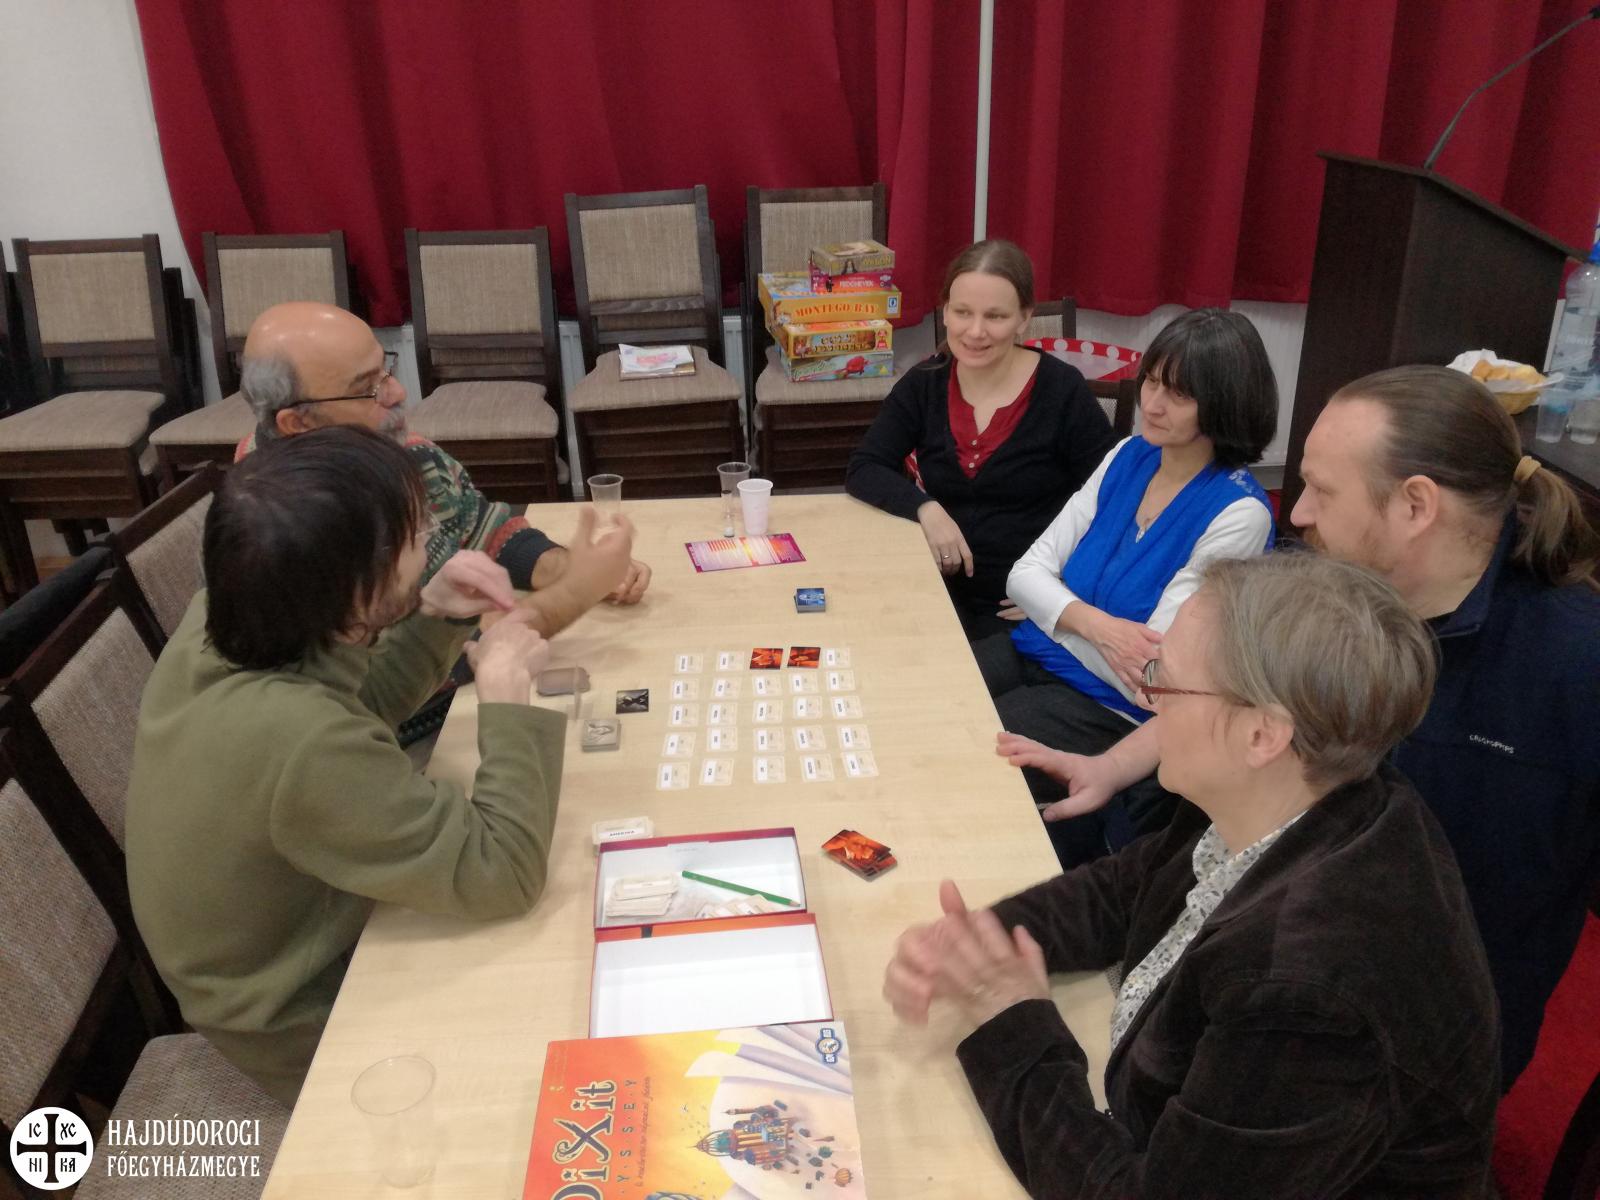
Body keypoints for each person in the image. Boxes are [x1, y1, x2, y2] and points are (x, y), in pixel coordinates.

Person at [1001, 364, 1600, 1088]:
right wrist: (1114, 765)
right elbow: (1218, 695)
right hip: (1253, 965)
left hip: (1388, 1051)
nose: (1301, 513)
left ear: (1415, 505)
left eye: (1322, 489)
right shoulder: (1321, 585)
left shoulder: (1572, 668)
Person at [887, 553, 1500, 1198]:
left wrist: (1011, 1018)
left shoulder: (1309, 992)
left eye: (1167, 683)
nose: (1145, 699)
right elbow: (1123, 891)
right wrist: (985, 940)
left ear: (1261, 734)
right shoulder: (1289, 792)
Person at [126, 426, 636, 1105]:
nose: (433, 543)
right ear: (358, 598)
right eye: (417, 536)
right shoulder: (300, 742)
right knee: (578, 1009)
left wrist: (436, 615)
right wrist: (508, 704)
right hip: (308, 1017)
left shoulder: (228, 615)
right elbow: (503, 873)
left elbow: (355, 709)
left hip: (303, 941)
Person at [976, 309, 1277, 865]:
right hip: (1032, 651)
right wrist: (1099, 627)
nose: (1153, 404)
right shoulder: (1126, 455)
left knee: (967, 745)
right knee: (924, 695)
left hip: (1107, 707)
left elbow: (1150, 678)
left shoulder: (1239, 513)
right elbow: (1023, 574)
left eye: (1178, 395)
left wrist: (1052, 608)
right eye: (1152, 382)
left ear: (1225, 403)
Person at [236, 301, 651, 607]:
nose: (398, 392)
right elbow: (384, 672)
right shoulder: (274, 526)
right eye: (368, 388)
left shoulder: (404, 452)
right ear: (297, 422)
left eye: (386, 371)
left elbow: (482, 531)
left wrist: (572, 568)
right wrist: (560, 604)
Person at [846, 240, 1114, 640]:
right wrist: (926, 508)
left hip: (1023, 607)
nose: (975, 331)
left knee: (968, 676)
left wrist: (1064, 590)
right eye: (962, 312)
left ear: (1024, 318)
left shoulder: (1062, 390)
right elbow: (865, 467)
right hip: (938, 590)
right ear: (945, 312)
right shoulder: (924, 383)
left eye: (995, 316)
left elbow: (1113, 498)